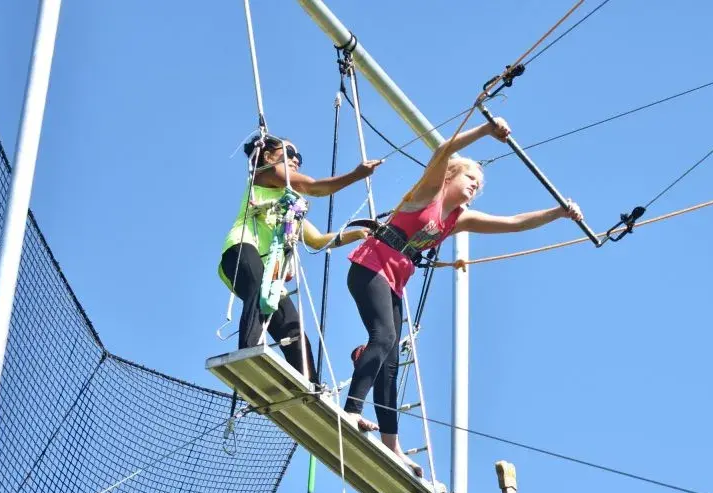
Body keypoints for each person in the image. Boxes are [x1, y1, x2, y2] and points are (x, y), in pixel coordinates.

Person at [342, 117, 583, 474]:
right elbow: (443, 149)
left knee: (392, 359)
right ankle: (351, 411)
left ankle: (391, 443)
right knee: (384, 337)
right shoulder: (428, 192)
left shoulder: (458, 219)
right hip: (371, 265)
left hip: (393, 278)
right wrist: (487, 131)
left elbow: (514, 223)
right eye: (470, 178)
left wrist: (558, 213)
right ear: (451, 176)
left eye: (479, 184)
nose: (475, 186)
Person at [219, 135, 382, 382]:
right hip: (241, 250)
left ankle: (311, 385)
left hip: (268, 271)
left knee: (293, 329)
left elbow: (317, 240)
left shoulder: (288, 210)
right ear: (267, 156)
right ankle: (249, 354)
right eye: (289, 153)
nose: (296, 159)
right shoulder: (264, 174)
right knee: (258, 291)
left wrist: (359, 233)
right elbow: (315, 187)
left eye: (299, 158)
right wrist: (356, 175)